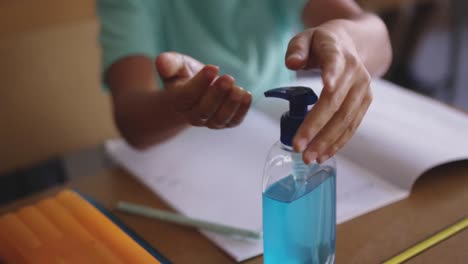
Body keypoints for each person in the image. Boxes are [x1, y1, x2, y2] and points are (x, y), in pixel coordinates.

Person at [97, 0, 392, 164]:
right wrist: (182, 105)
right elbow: (131, 118)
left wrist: (345, 41)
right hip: (179, 164)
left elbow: (379, 43)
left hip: (272, 145)